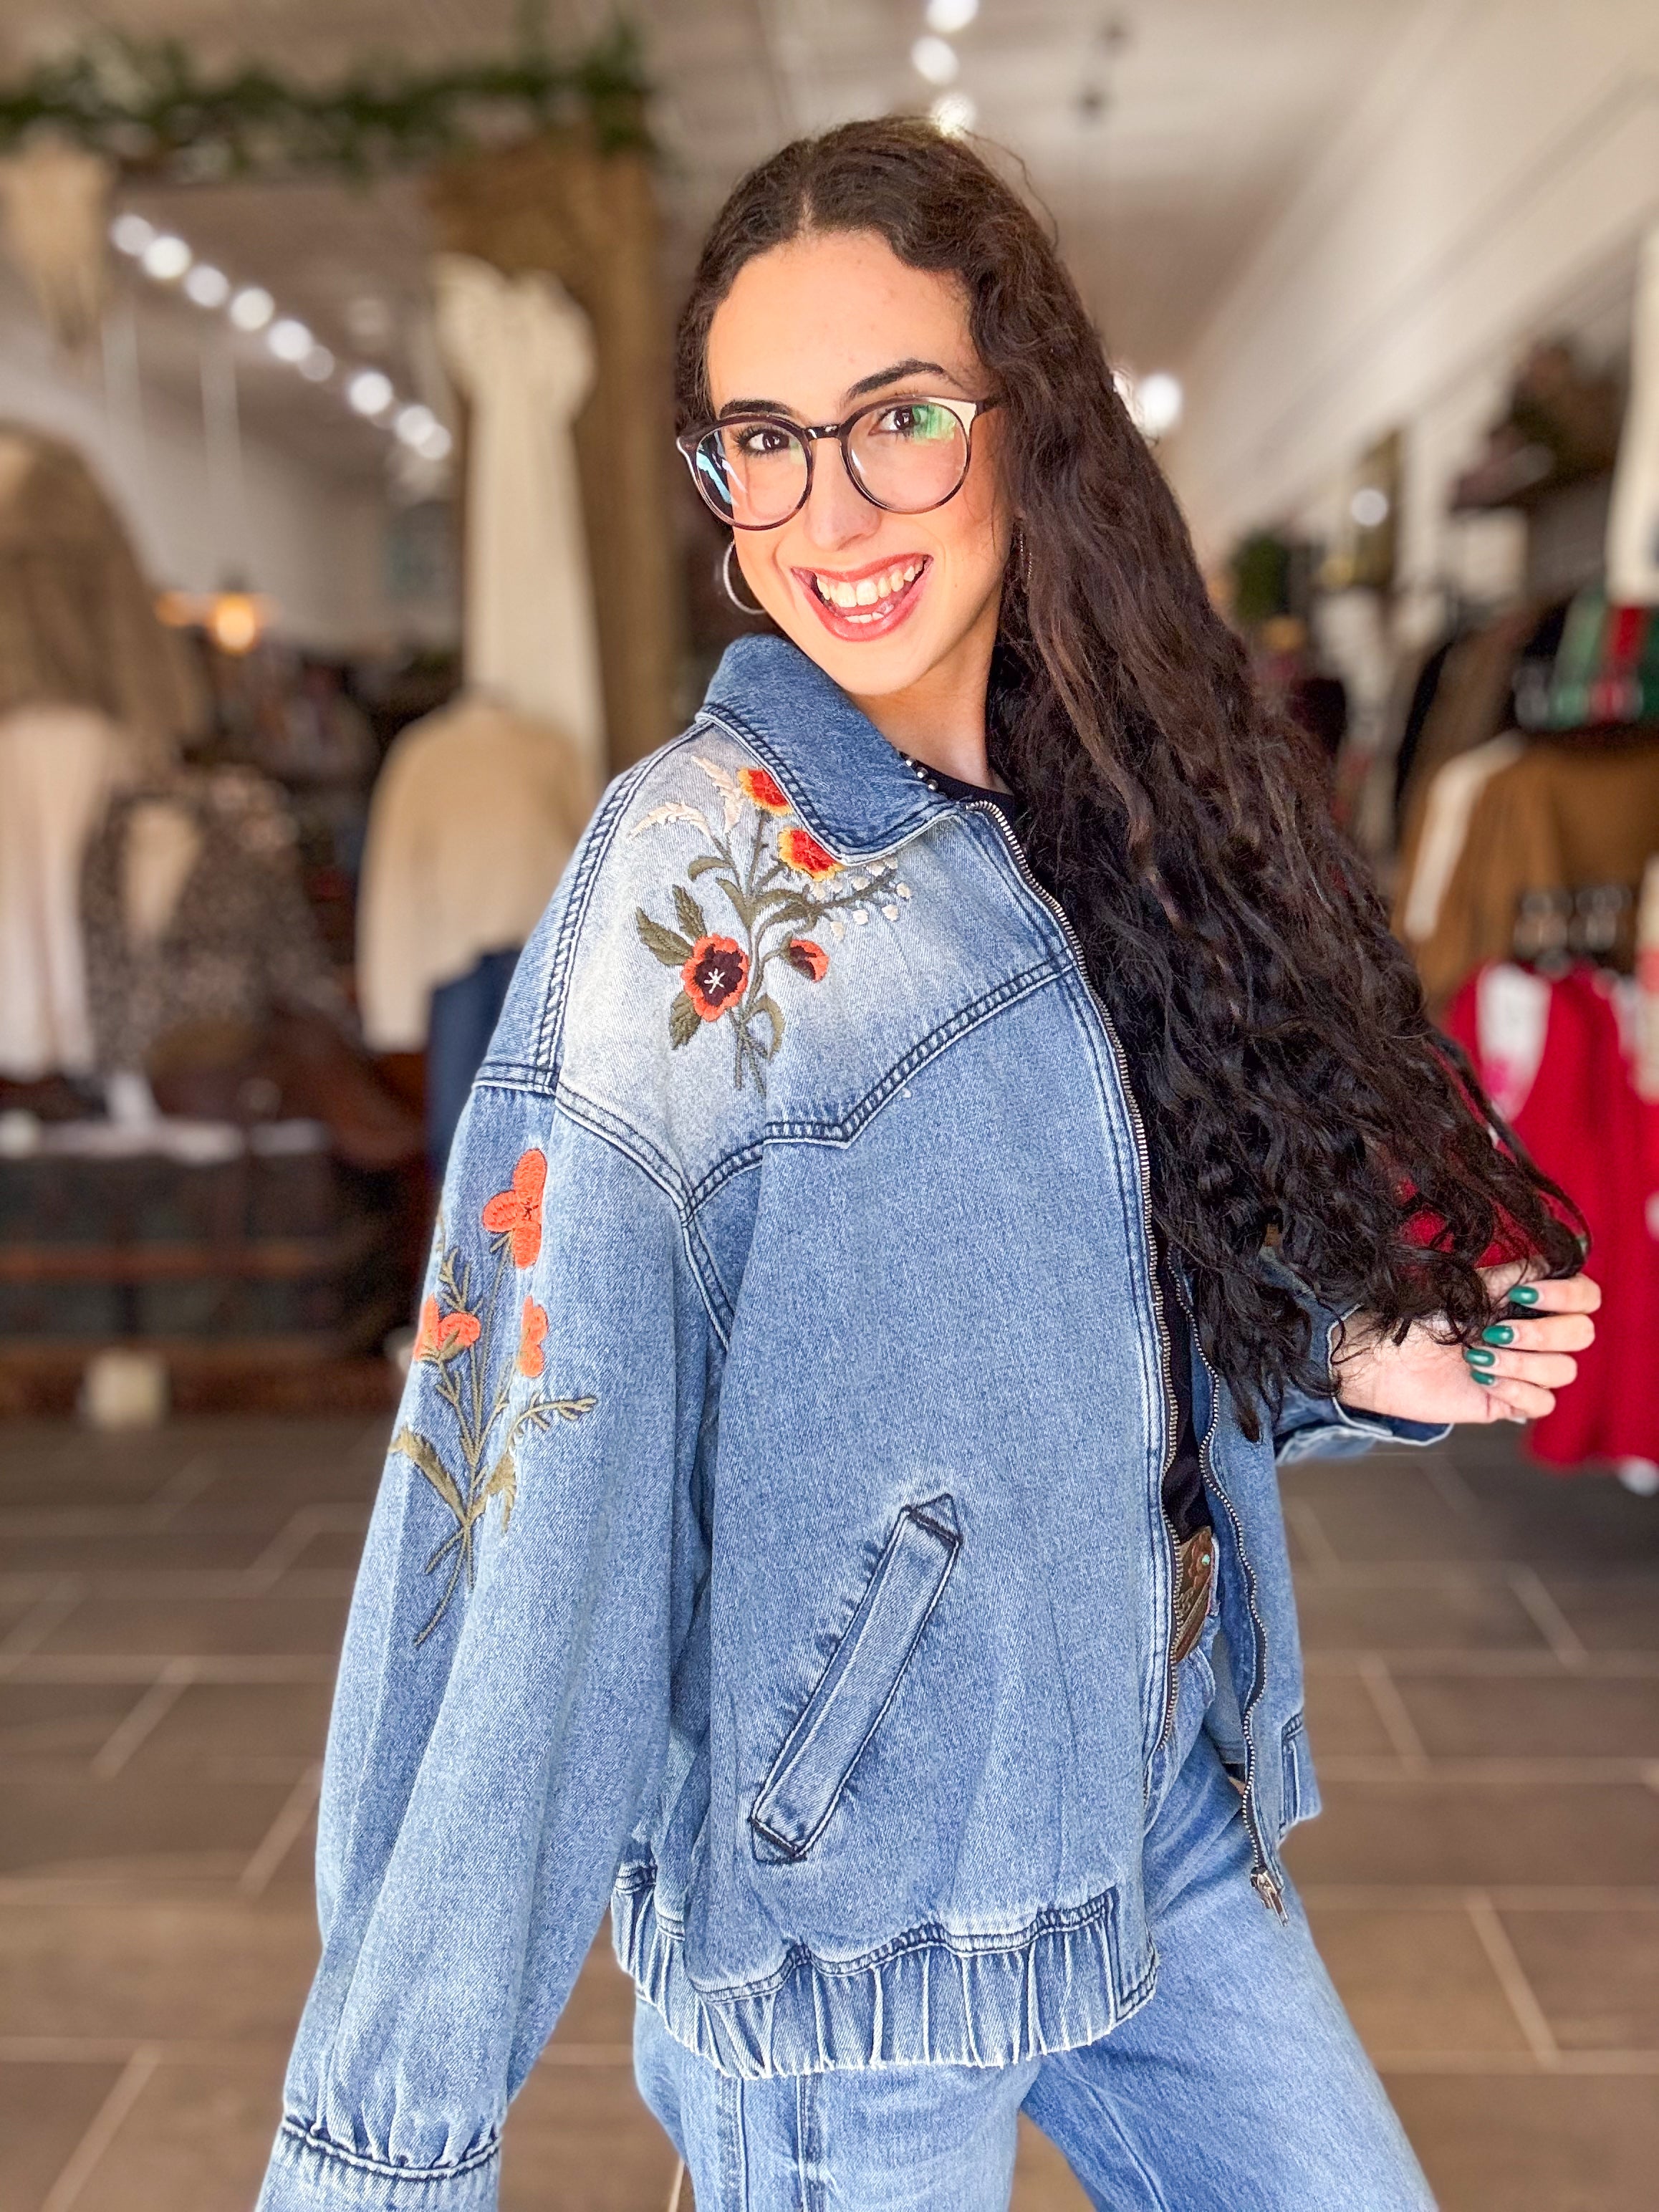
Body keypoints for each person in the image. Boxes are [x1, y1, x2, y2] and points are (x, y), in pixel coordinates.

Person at [257, 122, 1599, 2212]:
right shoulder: (690, 894)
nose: (828, 512)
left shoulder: (1099, 807)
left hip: (1145, 1803)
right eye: (763, 443)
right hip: (851, 1940)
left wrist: (1332, 1358)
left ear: (1024, 420)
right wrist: (385, 2139)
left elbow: (1040, 1312)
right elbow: (522, 1517)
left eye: (896, 419)